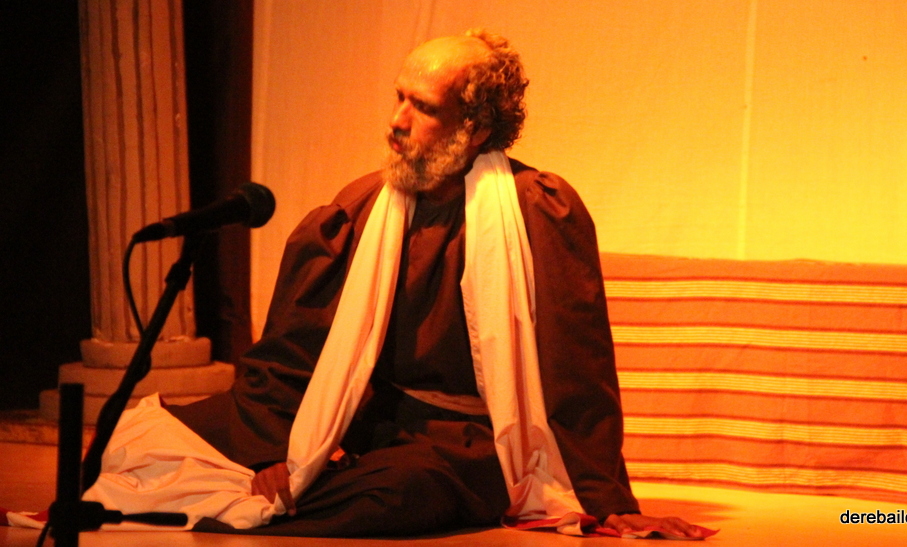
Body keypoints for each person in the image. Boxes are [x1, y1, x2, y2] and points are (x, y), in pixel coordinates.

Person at [166, 29, 705, 539]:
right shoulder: (361, 208)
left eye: (422, 107)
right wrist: (274, 450)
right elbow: (291, 347)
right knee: (172, 432)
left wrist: (606, 500)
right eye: (399, 97)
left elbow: (577, 368)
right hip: (370, 420)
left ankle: (290, 499)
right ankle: (311, 479)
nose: (396, 121)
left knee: (399, 490)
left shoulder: (538, 210)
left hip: (472, 445)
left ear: (476, 129)